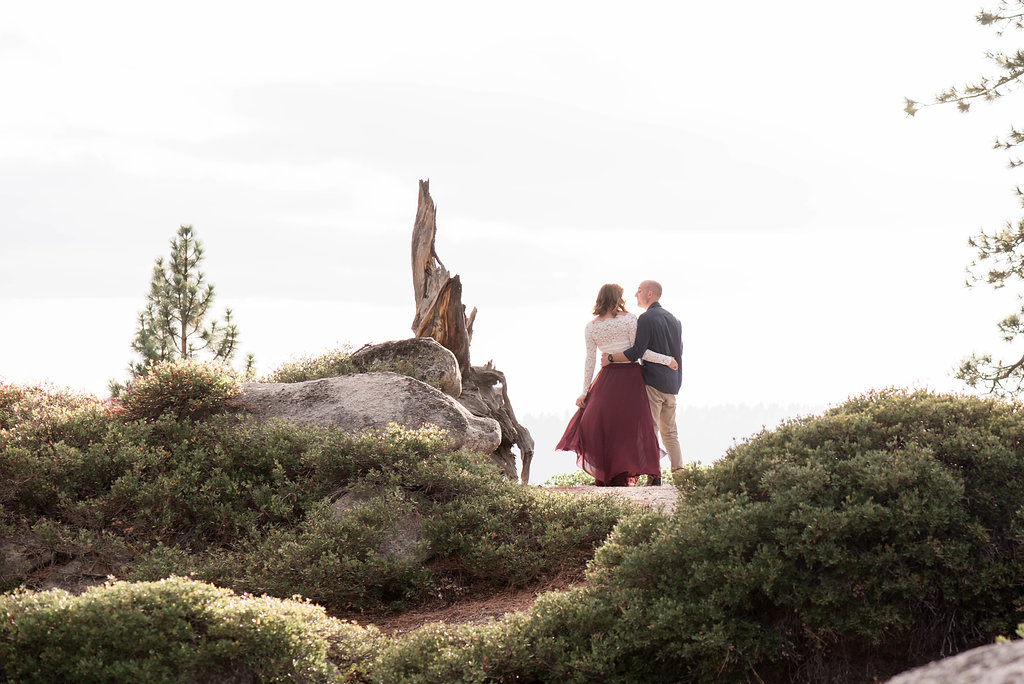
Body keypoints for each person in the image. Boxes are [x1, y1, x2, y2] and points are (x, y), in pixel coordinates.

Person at [556, 283, 678, 486]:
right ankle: (650, 473)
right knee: (634, 428)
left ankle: (612, 473)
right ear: (617, 299)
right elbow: (640, 353)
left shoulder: (591, 326)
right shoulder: (630, 319)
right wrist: (667, 360)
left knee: (608, 426)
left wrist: (584, 391)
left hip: (606, 380)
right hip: (631, 379)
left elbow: (590, 361)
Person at [603, 280, 683, 485]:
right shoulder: (674, 320)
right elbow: (679, 354)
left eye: (639, 291)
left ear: (650, 294)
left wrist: (611, 357)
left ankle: (654, 475)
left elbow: (638, 351)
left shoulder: (646, 318)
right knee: (671, 432)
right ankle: (681, 474)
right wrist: (677, 381)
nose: (635, 294)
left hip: (653, 382)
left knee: (651, 430)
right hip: (671, 384)